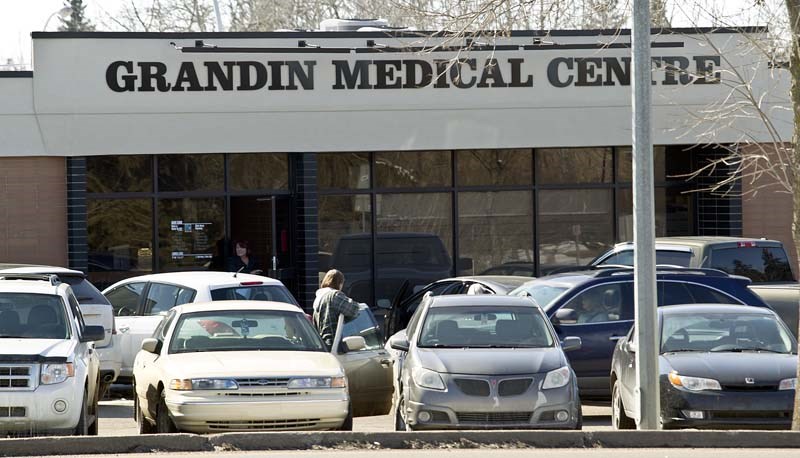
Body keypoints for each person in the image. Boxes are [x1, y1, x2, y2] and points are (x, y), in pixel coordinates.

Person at [313, 269, 360, 347]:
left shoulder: (318, 298)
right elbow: (354, 309)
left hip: (322, 344)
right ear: (339, 283)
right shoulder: (334, 295)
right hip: (334, 344)